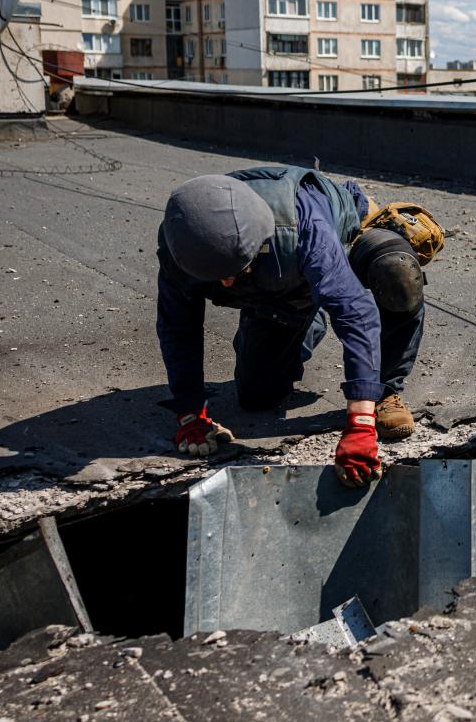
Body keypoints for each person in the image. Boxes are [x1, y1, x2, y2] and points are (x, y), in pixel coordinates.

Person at [155, 166, 439, 484]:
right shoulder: (181, 245)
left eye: (237, 268)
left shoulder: (302, 225)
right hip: (282, 285)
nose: (227, 281)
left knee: (397, 273)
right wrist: (191, 413)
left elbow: (354, 313)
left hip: (345, 239)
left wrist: (360, 421)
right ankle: (308, 309)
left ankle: (384, 391)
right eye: (217, 276)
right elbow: (178, 329)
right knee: (258, 397)